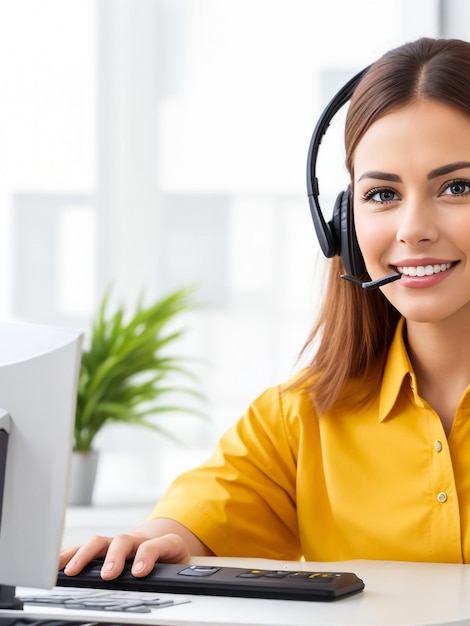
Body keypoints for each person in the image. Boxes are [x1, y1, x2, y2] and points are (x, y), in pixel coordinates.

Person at [60, 36, 470, 580]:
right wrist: (145, 547)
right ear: (343, 226)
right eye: (381, 195)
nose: (413, 229)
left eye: (457, 186)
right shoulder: (300, 418)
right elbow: (192, 528)